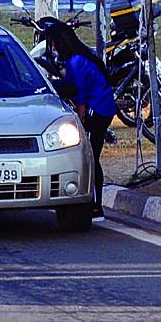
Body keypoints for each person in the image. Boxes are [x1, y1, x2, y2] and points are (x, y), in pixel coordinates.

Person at [42, 21, 114, 219]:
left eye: (53, 42)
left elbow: (79, 92)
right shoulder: (82, 58)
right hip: (104, 108)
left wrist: (81, 115)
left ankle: (95, 205)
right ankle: (94, 204)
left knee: (91, 157)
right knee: (93, 156)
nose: (53, 46)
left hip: (97, 110)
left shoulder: (75, 62)